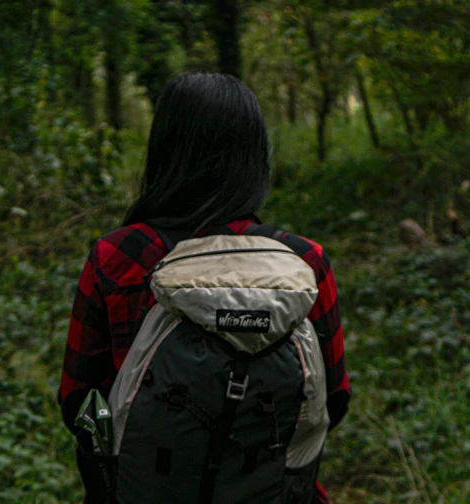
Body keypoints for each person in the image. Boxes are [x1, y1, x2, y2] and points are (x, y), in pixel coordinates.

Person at [58, 72, 350, 503]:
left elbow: (79, 403)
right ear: (255, 158)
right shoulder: (302, 262)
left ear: (164, 152)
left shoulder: (116, 257)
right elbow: (333, 401)